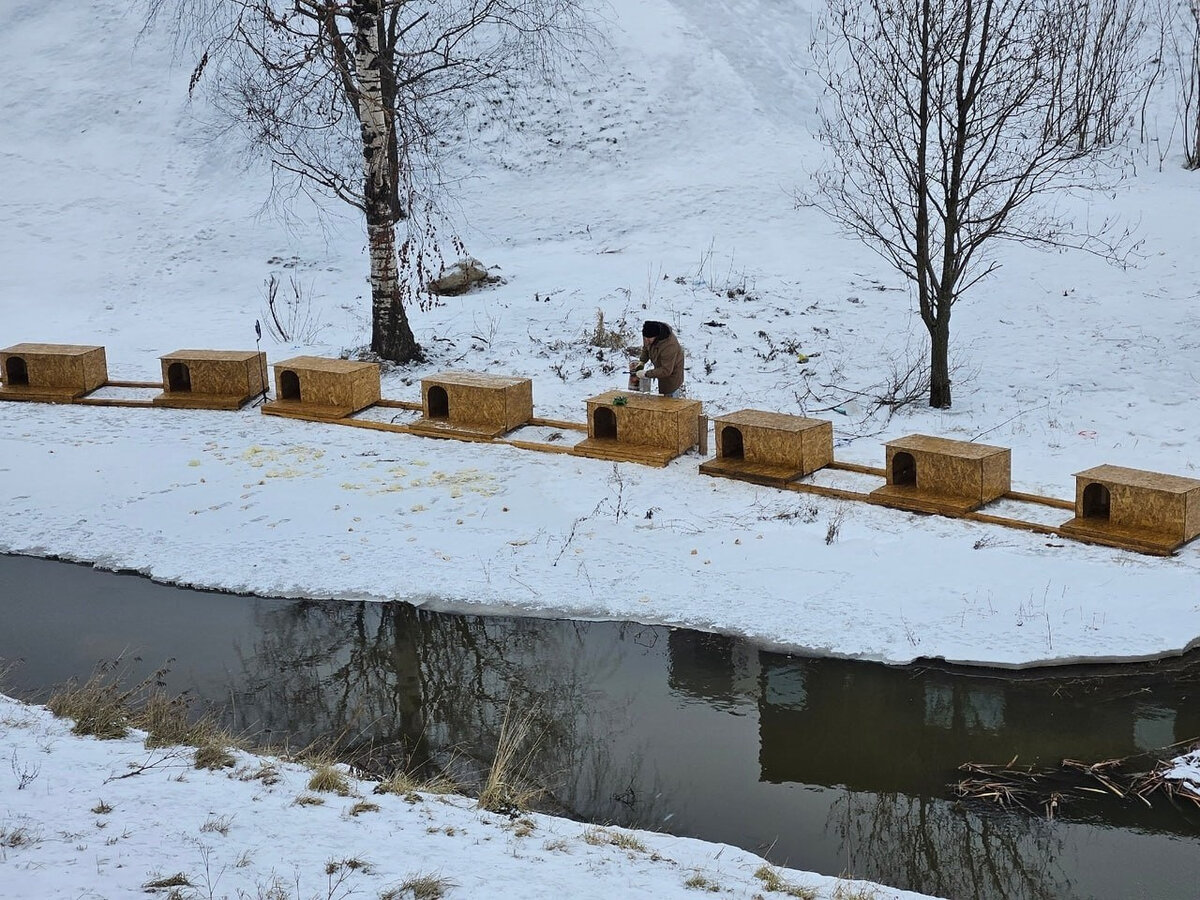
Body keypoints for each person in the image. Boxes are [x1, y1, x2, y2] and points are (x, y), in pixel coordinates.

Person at [630, 320, 686, 397]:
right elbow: (646, 348)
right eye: (645, 338)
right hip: (661, 366)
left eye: (649, 339)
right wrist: (642, 361)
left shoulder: (669, 346)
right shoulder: (648, 334)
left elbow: (666, 370)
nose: (646, 341)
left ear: (656, 337)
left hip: (671, 373)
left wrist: (646, 374)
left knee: (668, 397)